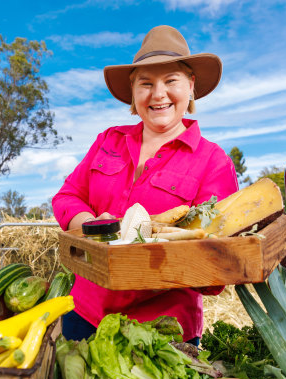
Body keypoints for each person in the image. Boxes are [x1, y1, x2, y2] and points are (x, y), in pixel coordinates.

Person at [52, 25, 239, 345]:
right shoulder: (108, 140)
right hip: (84, 312)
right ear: (133, 90)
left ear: (191, 86)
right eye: (146, 83)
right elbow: (68, 196)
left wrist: (149, 259)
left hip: (162, 332)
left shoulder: (213, 161)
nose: (158, 94)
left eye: (171, 81)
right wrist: (92, 227)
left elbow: (216, 271)